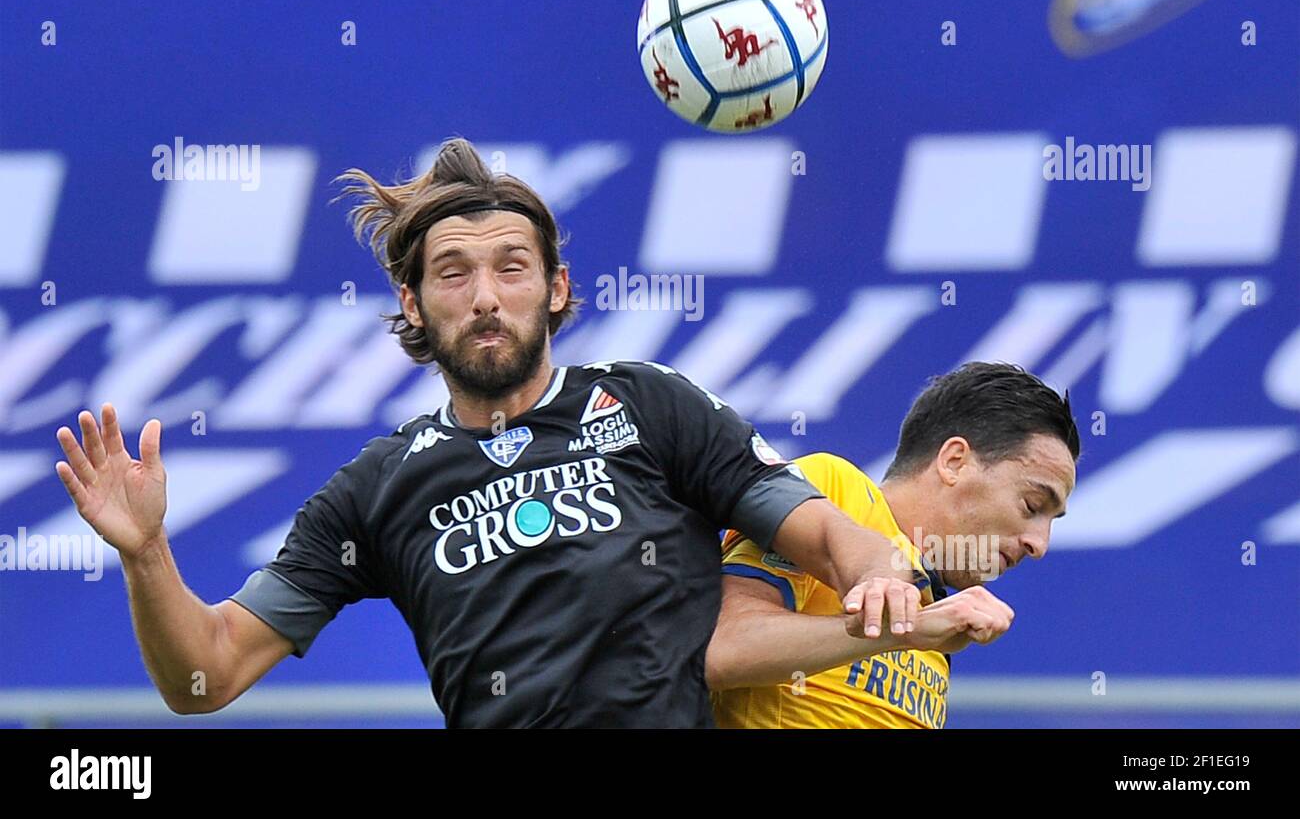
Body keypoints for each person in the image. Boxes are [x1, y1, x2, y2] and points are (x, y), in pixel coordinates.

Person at [54, 138, 923, 728]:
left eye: (512, 268)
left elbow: (821, 531)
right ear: (413, 305)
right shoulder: (376, 489)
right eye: (452, 272)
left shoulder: (654, 408)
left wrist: (880, 574)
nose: (484, 296)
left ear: (554, 288)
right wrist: (146, 554)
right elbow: (204, 675)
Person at [707, 362, 1079, 728]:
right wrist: (901, 631)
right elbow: (720, 649)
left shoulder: (939, 628)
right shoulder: (834, 493)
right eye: (1032, 505)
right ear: (954, 462)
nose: (1039, 545)